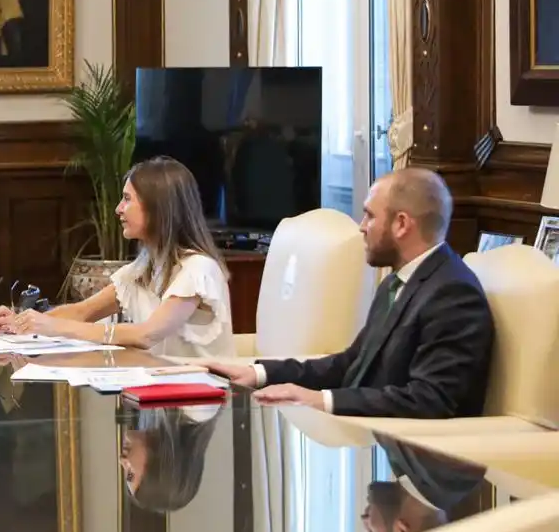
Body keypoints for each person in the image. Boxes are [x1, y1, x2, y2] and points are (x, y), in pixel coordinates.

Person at [203, 168, 494, 419]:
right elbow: (351, 363)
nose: (361, 227)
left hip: (418, 463)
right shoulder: (397, 282)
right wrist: (260, 374)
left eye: (369, 216)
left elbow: (429, 400)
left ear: (402, 224)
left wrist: (322, 401)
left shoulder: (453, 294)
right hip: (370, 440)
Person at [0, 156, 233, 359]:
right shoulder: (141, 269)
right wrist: (20, 322)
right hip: (158, 396)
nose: (118, 209)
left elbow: (147, 335)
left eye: (127, 199)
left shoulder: (198, 269)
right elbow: (81, 312)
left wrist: (53, 327)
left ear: (158, 206)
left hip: (201, 405)